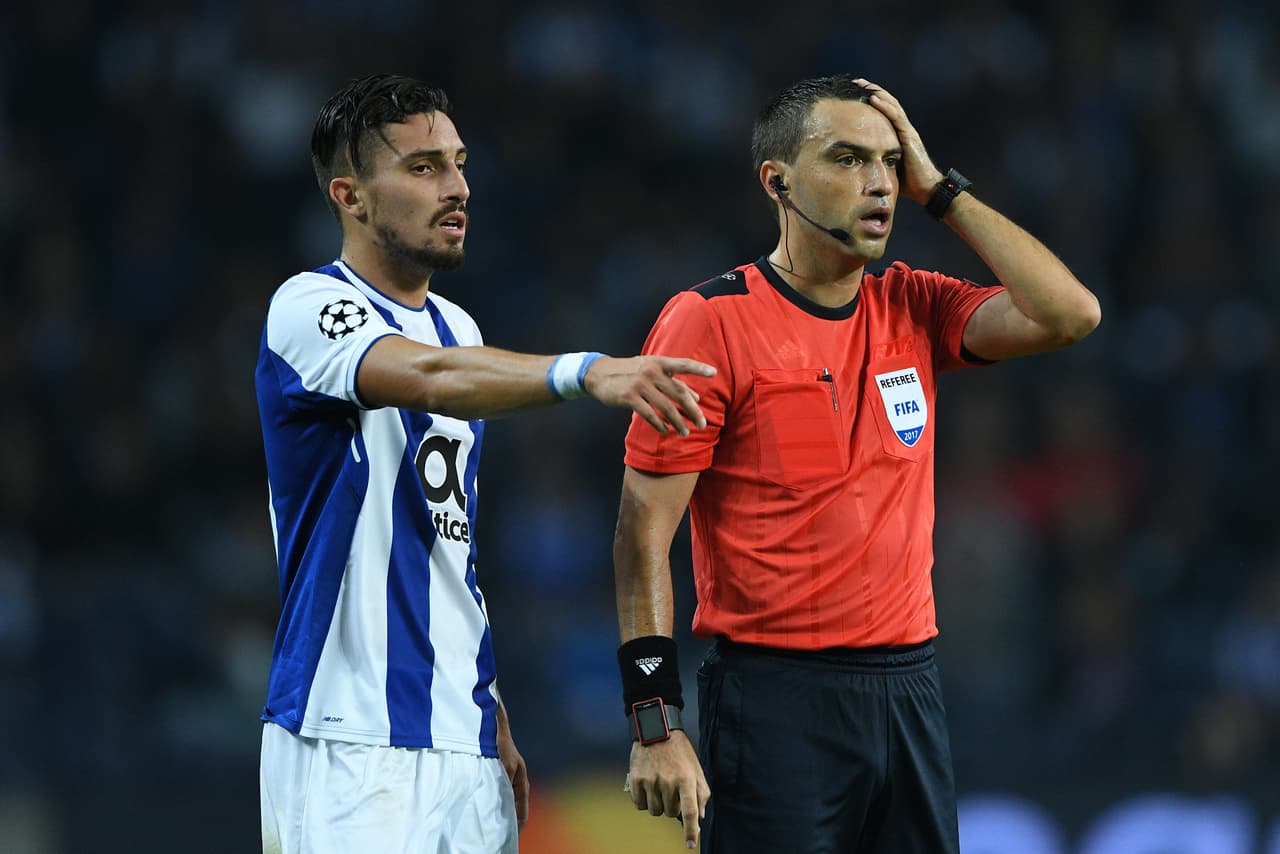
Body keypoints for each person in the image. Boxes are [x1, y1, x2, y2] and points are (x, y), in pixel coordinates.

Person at [612, 74, 1101, 852]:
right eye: (846, 158)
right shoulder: (708, 322)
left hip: (909, 690)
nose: (879, 183)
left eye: (889, 161)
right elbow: (643, 530)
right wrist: (655, 722)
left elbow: (1071, 313)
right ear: (778, 182)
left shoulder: (914, 304)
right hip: (776, 699)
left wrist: (940, 189)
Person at [255, 73, 715, 854]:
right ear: (350, 196)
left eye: (460, 162)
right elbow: (428, 376)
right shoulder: (306, 307)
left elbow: (450, 541)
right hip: (351, 739)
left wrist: (486, 702)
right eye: (424, 167)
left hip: (463, 744)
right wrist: (586, 370)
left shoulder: (459, 326)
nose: (459, 186)